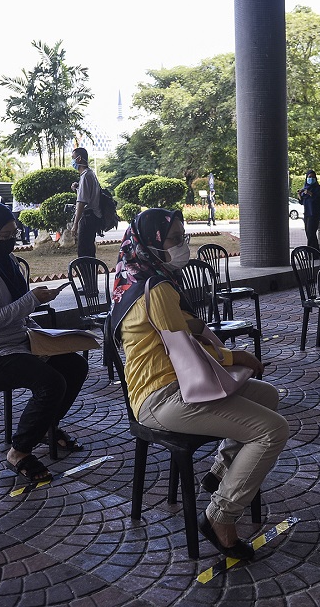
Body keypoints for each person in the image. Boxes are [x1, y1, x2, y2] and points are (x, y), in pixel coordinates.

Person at [111, 209, 289, 559]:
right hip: (163, 398)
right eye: (175, 239)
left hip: (182, 385)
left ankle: (220, 471)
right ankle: (220, 516)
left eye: (183, 237)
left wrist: (222, 350)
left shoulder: (139, 278)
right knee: (272, 431)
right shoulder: (156, 288)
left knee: (267, 396)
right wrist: (238, 358)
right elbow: (184, 348)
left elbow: (191, 330)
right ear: (152, 244)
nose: (182, 245)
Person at [0, 203, 88, 482]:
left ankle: (46, 427)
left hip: (19, 342)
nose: (10, 241)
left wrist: (44, 336)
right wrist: (32, 300)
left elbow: (19, 313)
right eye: (3, 236)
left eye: (13, 234)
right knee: (51, 382)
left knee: (75, 366)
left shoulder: (7, 263)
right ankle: (19, 451)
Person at [71, 147, 102, 258]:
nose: (72, 161)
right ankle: (90, 274)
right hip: (93, 217)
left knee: (84, 252)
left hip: (88, 218)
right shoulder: (90, 174)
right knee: (89, 251)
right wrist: (78, 188)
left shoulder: (85, 176)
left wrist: (75, 224)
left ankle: (87, 275)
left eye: (73, 158)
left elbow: (81, 202)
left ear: (79, 159)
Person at [297, 170, 320, 251]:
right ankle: (315, 251)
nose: (311, 179)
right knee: (308, 233)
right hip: (307, 214)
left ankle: (310, 252)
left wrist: (310, 193)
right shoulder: (305, 188)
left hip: (315, 214)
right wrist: (299, 194)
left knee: (311, 233)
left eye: (313, 177)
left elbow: (319, 199)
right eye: (309, 177)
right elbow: (302, 202)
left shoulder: (318, 188)